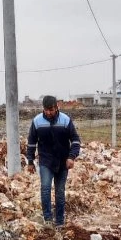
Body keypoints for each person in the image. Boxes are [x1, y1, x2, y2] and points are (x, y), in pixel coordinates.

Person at [26, 96, 81, 227]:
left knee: (60, 191)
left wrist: (72, 157)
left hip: (63, 162)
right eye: (46, 110)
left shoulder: (66, 120)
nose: (49, 112)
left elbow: (75, 140)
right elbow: (31, 142)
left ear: (57, 107)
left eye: (51, 109)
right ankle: (48, 219)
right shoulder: (37, 121)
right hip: (46, 161)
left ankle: (60, 221)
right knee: (45, 188)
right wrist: (30, 161)